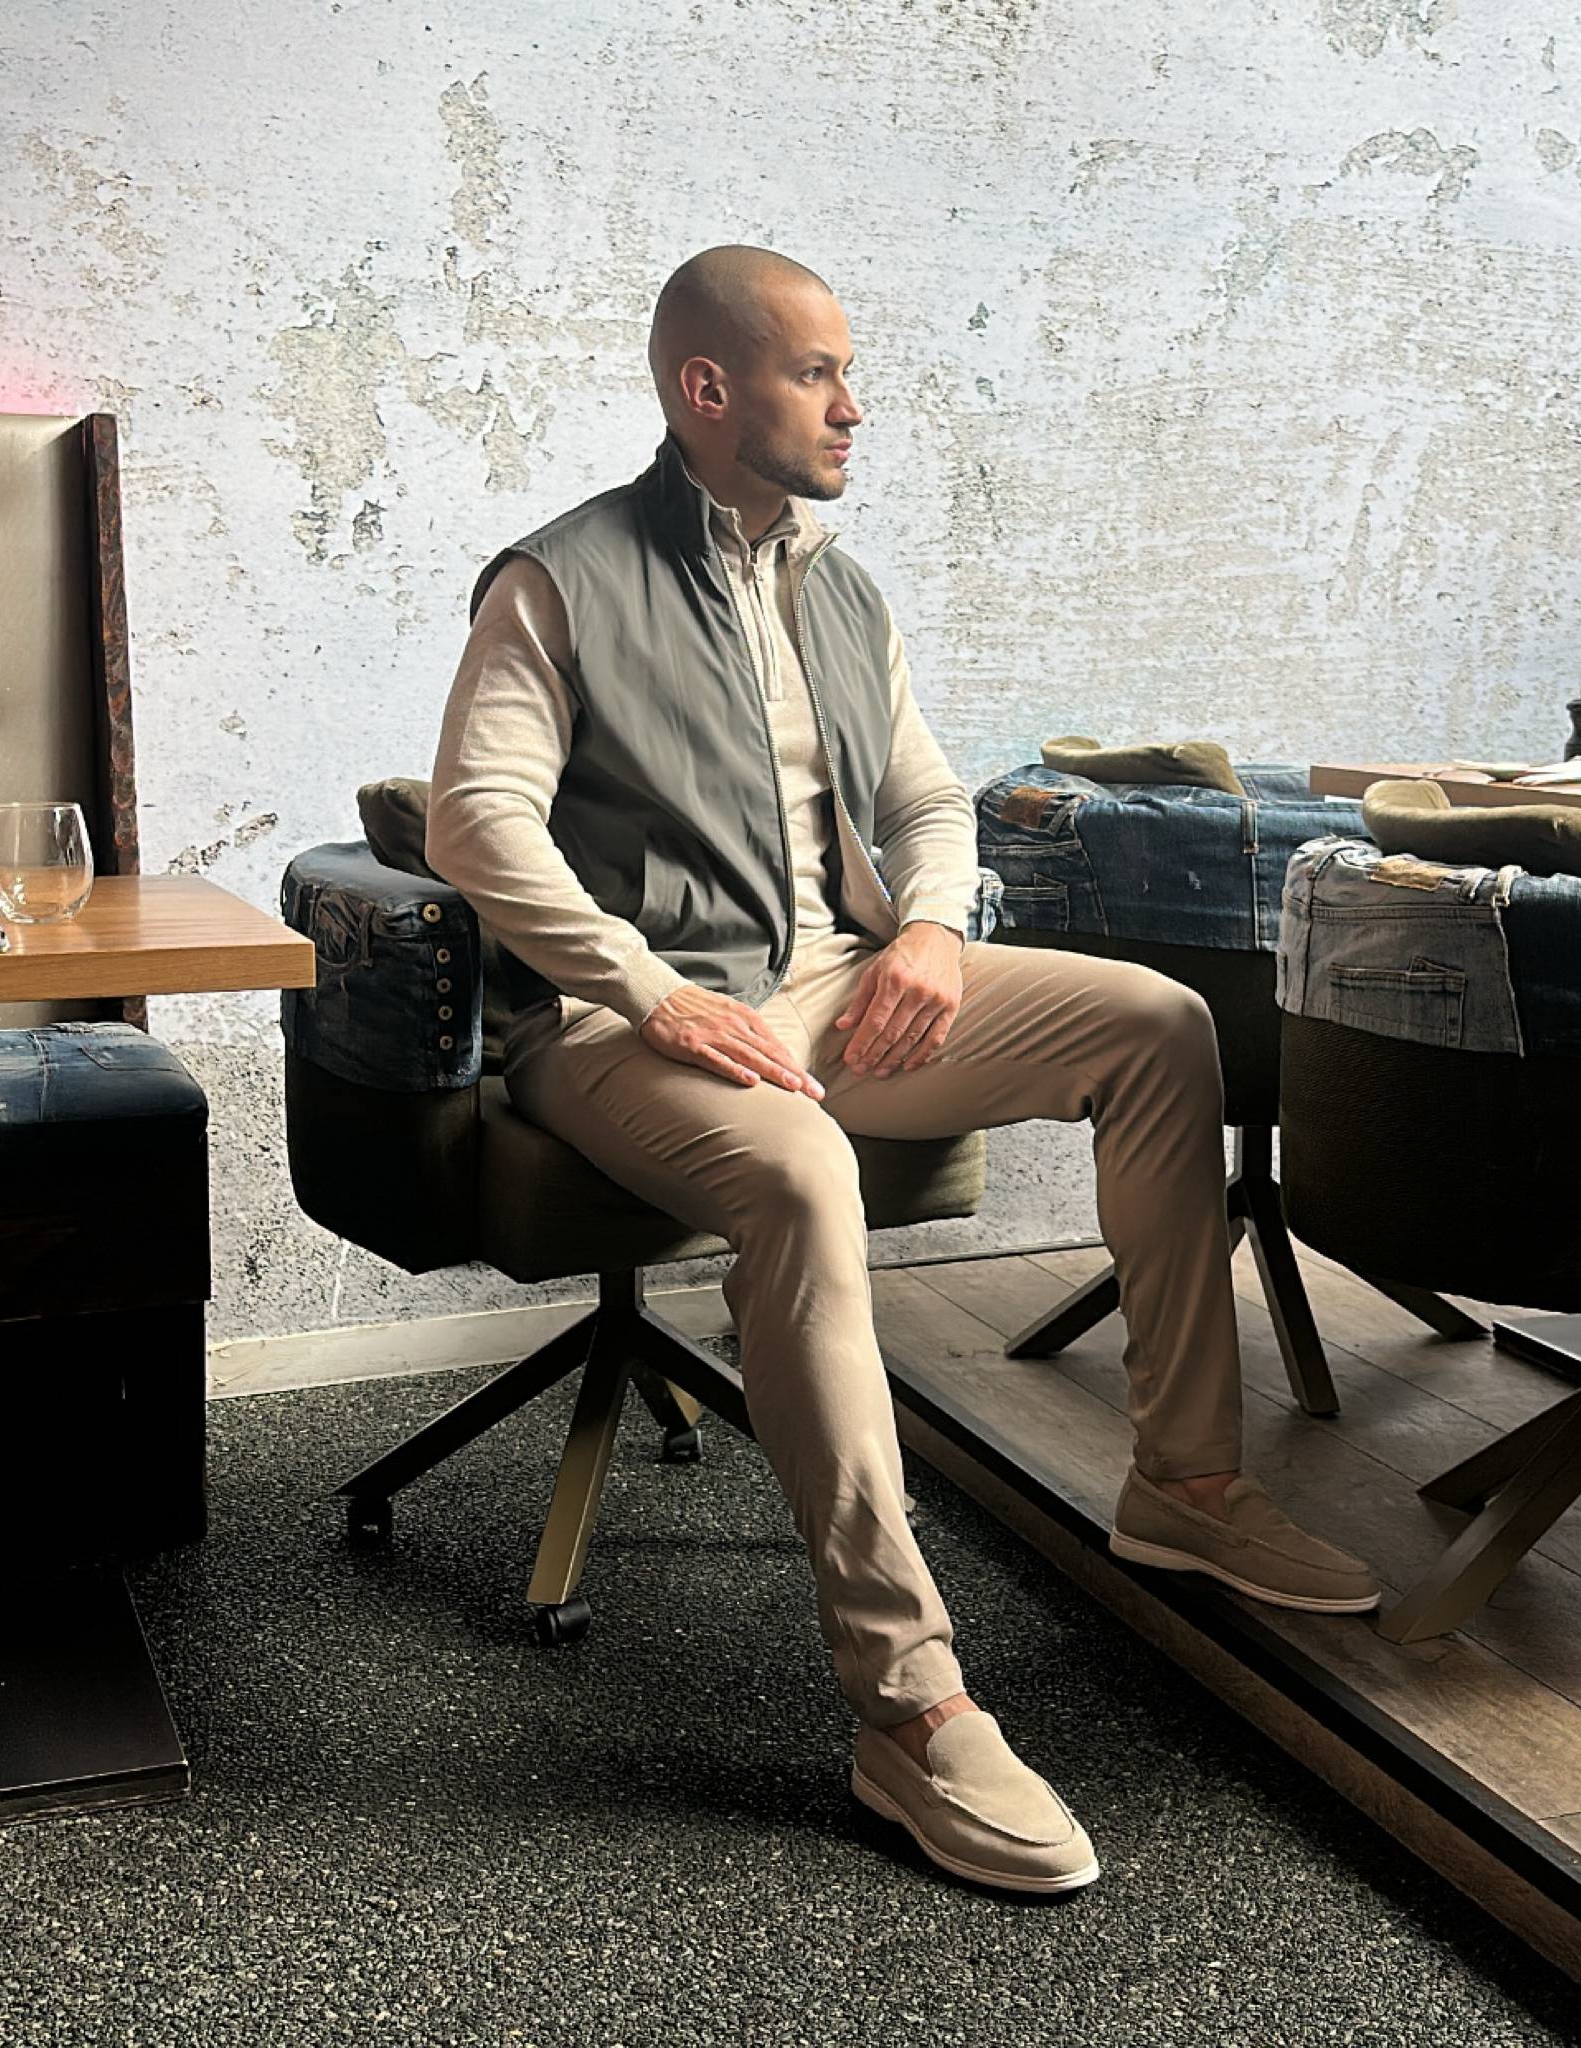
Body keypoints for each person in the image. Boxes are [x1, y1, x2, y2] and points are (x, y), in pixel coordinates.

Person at [425, 243, 1379, 1896]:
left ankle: (1186, 1484)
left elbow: (929, 802)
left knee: (1159, 1025)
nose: (853, 406)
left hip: (842, 988)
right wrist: (647, 991)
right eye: (817, 373)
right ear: (706, 390)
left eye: (850, 373)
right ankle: (910, 1705)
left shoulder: (843, 592)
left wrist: (932, 931)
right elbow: (473, 819)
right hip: (621, 1031)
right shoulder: (559, 579)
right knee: (803, 1175)